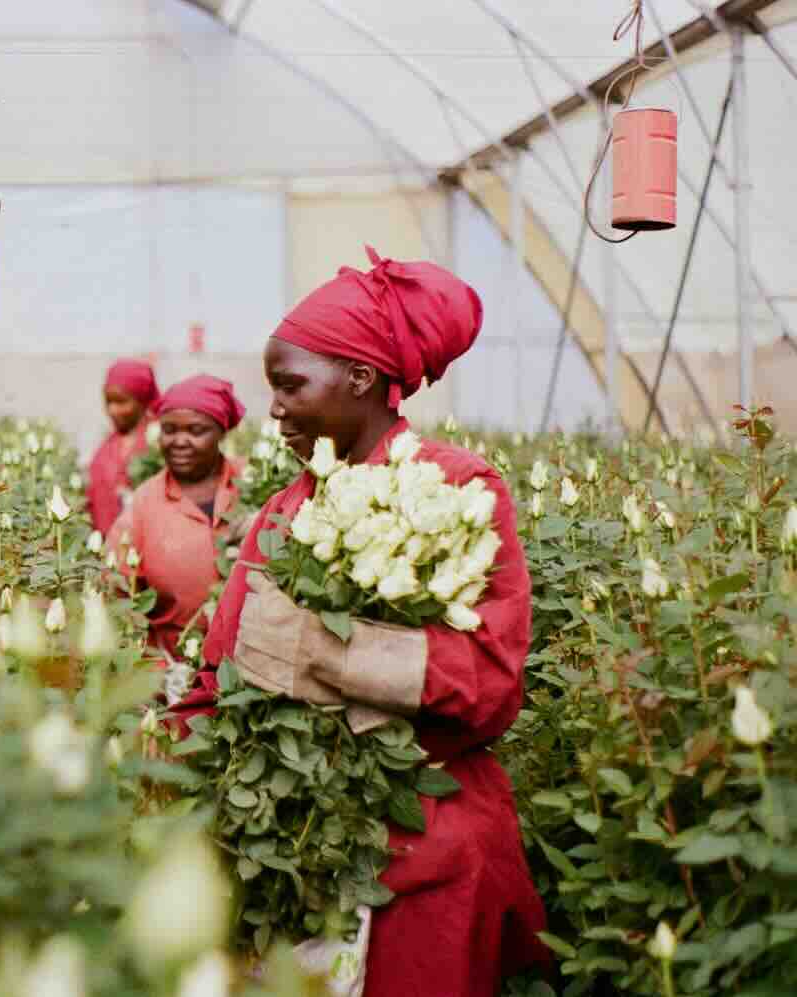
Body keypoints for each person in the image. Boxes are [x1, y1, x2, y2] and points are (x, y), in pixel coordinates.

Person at [173, 247, 550, 995]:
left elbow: (491, 684)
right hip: (292, 858)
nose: (274, 407)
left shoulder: (458, 489)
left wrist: (329, 658)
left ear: (362, 378)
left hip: (424, 856)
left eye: (290, 384)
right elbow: (219, 679)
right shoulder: (279, 516)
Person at [108, 375, 244, 657]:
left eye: (196, 430)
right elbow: (115, 593)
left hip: (250, 665)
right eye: (169, 430)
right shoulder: (144, 503)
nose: (180, 441)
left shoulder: (252, 484)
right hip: (174, 670)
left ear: (221, 432)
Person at [86, 359, 159, 535]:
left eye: (121, 402)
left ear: (142, 401)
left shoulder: (158, 443)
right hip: (107, 549)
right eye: (108, 402)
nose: (112, 410)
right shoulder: (107, 446)